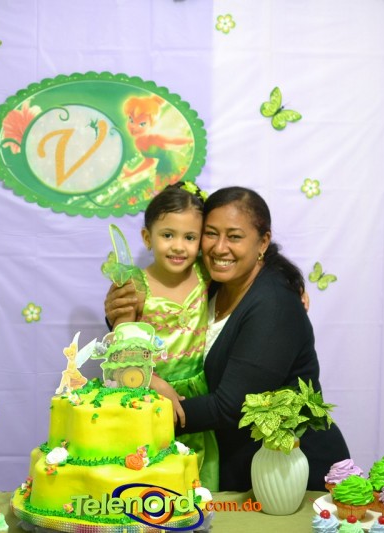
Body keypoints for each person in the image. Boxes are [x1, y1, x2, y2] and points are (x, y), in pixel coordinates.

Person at [106, 186, 349, 492]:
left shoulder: (273, 304)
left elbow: (229, 407)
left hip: (292, 474)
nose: (220, 248)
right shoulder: (212, 282)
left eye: (234, 236)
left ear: (263, 242)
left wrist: (138, 414)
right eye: (211, 233)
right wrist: (121, 311)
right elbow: (160, 317)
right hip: (239, 468)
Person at [109, 181, 220, 491]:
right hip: (148, 389)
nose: (178, 246)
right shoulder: (135, 284)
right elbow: (121, 344)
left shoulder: (204, 274)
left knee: (196, 474)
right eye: (167, 235)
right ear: (148, 238)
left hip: (198, 393)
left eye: (190, 237)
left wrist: (294, 286)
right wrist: (153, 381)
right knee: (151, 471)